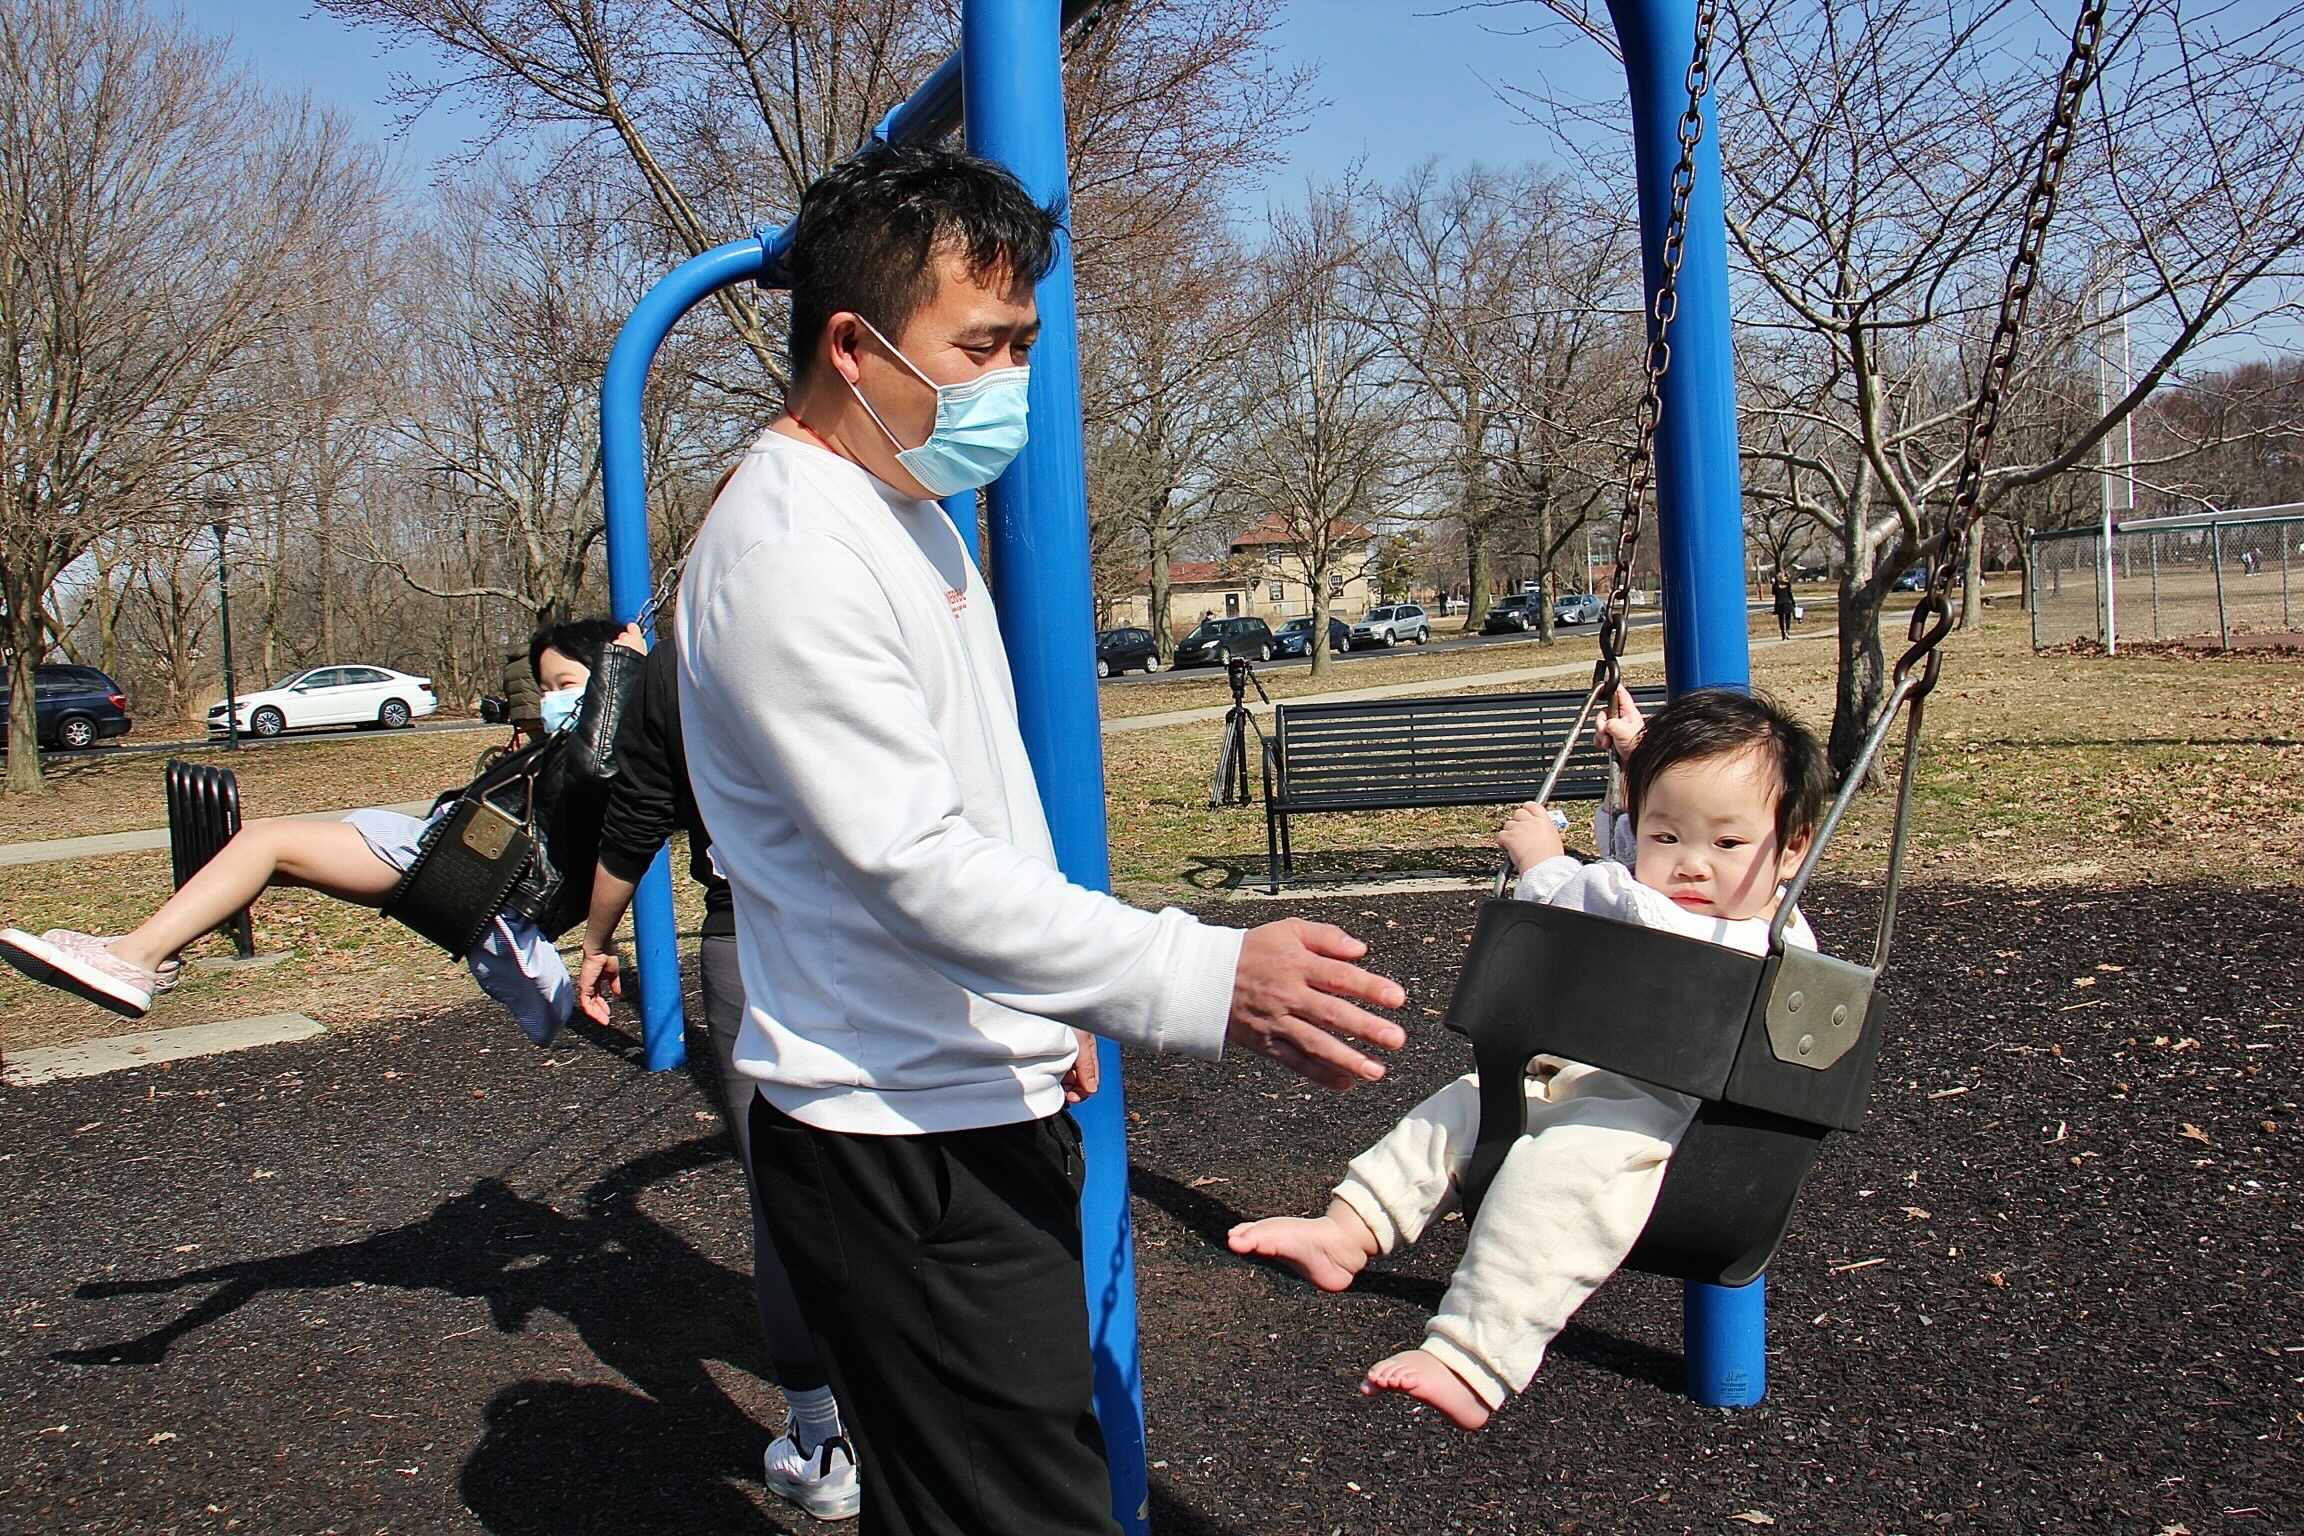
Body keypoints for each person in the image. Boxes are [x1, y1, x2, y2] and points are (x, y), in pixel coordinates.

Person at [675, 141, 1406, 1535]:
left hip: (953, 1097)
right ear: (852, 341)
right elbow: (911, 865)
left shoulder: (897, 510)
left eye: (1024, 340)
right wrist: (1201, 978)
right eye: (988, 343)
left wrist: (1046, 998)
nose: (1014, 380)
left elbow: (974, 794)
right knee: (1021, 1509)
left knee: (984, 1489)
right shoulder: (792, 558)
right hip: (895, 1139)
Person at [1227, 687, 1829, 1431]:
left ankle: (1474, 1359)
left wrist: (1544, 859)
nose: (1691, 868)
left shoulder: (1745, 934)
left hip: (1677, 1131)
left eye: (1729, 845)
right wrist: (1636, 763)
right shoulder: (1740, 913)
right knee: (1462, 1107)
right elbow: (1637, 866)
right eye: (1666, 837)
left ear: (1793, 848)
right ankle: (1348, 1229)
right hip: (1582, 1080)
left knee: (1555, 1177)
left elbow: (1590, 903)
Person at [1, 619, 641, 1043]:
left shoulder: (613, 743)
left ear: (609, 679)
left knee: (266, 843)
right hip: (454, 856)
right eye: (544, 685)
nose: (552, 697)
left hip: (475, 875)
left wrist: (625, 671)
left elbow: (598, 762)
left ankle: (137, 960)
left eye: (567, 684)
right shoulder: (562, 739)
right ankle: (149, 952)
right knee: (270, 856)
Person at [572, 638, 862, 1521]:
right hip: (889, 916)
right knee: (909, 1157)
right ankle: (919, 1403)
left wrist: (593, 941)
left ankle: (823, 1443)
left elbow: (638, 814)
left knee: (785, 1192)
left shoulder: (688, 649)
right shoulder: (869, 599)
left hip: (753, 929)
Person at [500, 644, 545, 749]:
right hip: (537, 711)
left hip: (518, 714)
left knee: (537, 742)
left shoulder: (509, 667)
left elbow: (507, 690)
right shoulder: (533, 662)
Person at [1772, 575, 1796, 639]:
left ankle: (1783, 632)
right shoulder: (1788, 584)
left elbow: (1773, 593)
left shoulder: (1775, 586)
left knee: (1781, 619)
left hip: (1779, 604)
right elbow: (1790, 594)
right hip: (1787, 603)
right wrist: (1793, 602)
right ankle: (1787, 631)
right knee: (1788, 618)